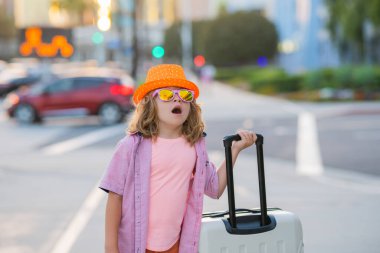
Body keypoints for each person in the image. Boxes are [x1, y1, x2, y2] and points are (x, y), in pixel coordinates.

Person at [99, 64, 256, 253]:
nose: (178, 100)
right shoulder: (131, 146)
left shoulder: (195, 145)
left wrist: (234, 151)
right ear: (150, 102)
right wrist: (110, 248)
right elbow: (115, 197)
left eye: (185, 95)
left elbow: (214, 188)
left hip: (177, 245)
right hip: (136, 245)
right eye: (166, 95)